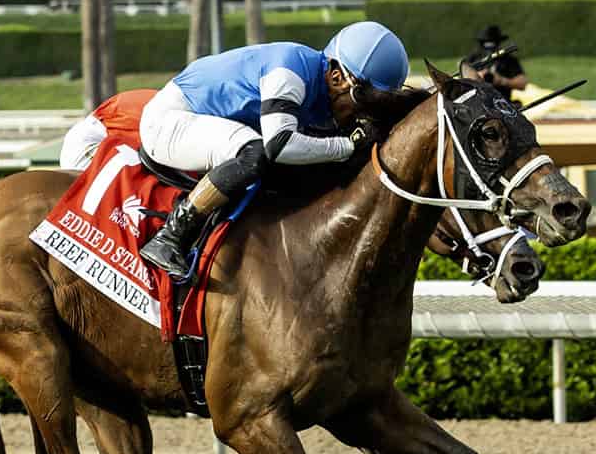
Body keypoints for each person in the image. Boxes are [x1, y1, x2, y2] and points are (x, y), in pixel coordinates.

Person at [137, 21, 410, 279]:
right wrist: (346, 146)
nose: (363, 115)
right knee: (254, 155)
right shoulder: (290, 72)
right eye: (364, 102)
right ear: (337, 77)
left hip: (213, 122)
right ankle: (170, 236)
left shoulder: (322, 88)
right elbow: (279, 145)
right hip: (169, 122)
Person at [462, 24, 527, 102]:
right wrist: (476, 77)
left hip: (503, 101)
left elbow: (522, 83)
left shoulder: (508, 59)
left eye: (492, 43)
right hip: (478, 103)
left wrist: (502, 81)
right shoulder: (473, 58)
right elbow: (460, 81)